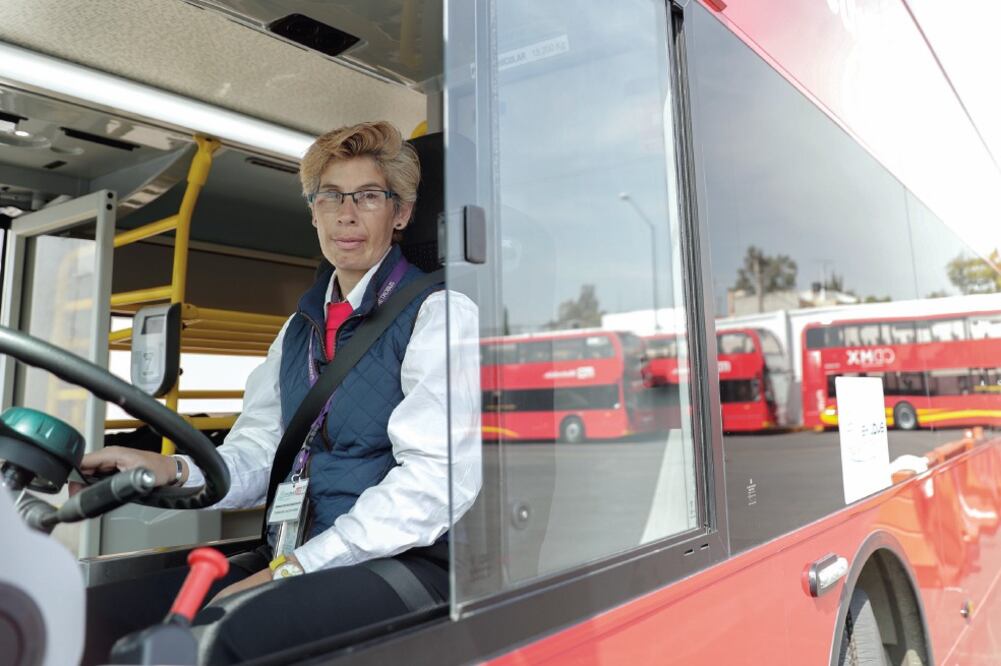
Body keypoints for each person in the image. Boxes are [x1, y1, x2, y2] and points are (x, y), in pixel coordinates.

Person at [79, 121, 481, 664]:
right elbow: (260, 453)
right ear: (313, 210)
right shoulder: (296, 330)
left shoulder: (440, 314)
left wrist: (294, 569)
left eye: (368, 196)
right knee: (97, 616)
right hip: (293, 550)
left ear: (401, 213)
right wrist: (172, 470)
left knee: (214, 641)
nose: (346, 213)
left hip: (402, 562)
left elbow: (436, 482)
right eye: (330, 196)